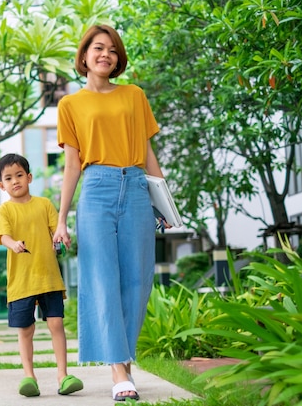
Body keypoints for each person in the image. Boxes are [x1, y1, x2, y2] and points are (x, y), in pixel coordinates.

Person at [52, 24, 171, 402]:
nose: (106, 55)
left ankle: (124, 362)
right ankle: (119, 372)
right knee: (101, 279)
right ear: (84, 55)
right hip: (97, 190)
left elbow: (149, 153)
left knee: (137, 281)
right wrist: (61, 219)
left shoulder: (134, 95)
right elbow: (72, 166)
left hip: (136, 187)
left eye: (113, 50)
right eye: (99, 48)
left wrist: (164, 202)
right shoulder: (69, 105)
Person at [0, 153, 84, 398]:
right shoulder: (4, 211)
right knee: (26, 330)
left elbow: (57, 229)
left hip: (48, 277)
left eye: (20, 175)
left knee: (56, 324)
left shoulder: (44, 204)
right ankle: (29, 377)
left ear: (29, 177)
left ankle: (63, 375)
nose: (15, 181)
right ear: (2, 185)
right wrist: (12, 244)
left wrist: (62, 236)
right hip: (21, 281)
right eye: (9, 178)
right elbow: (3, 236)